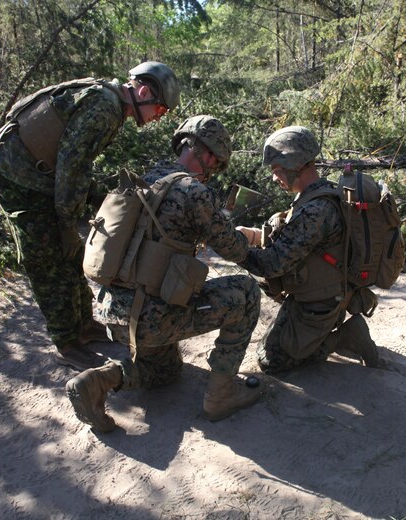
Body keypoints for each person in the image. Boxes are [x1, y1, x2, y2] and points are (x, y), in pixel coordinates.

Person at [66, 115, 262, 433]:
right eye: (216, 163)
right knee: (246, 292)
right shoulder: (194, 192)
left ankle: (98, 380)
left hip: (113, 312)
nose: (214, 171)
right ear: (210, 155)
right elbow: (236, 251)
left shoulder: (146, 178)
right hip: (152, 317)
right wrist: (248, 236)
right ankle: (221, 395)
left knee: (166, 372)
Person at [0, 62, 180, 371]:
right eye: (160, 110)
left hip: (38, 176)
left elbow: (74, 165)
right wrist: (67, 222)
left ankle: (84, 326)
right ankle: (66, 343)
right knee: (47, 259)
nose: (157, 118)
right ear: (143, 92)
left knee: (69, 255)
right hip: (16, 178)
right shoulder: (105, 108)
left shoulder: (108, 101)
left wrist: (94, 200)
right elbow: (71, 167)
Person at [236, 126, 383, 373]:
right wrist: (250, 236)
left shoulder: (314, 211)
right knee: (274, 345)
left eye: (277, 170)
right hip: (321, 293)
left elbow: (272, 264)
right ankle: (323, 327)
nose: (274, 177)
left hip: (321, 303)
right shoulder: (317, 195)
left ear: (294, 165)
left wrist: (233, 248)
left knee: (272, 361)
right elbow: (290, 240)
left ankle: (346, 337)